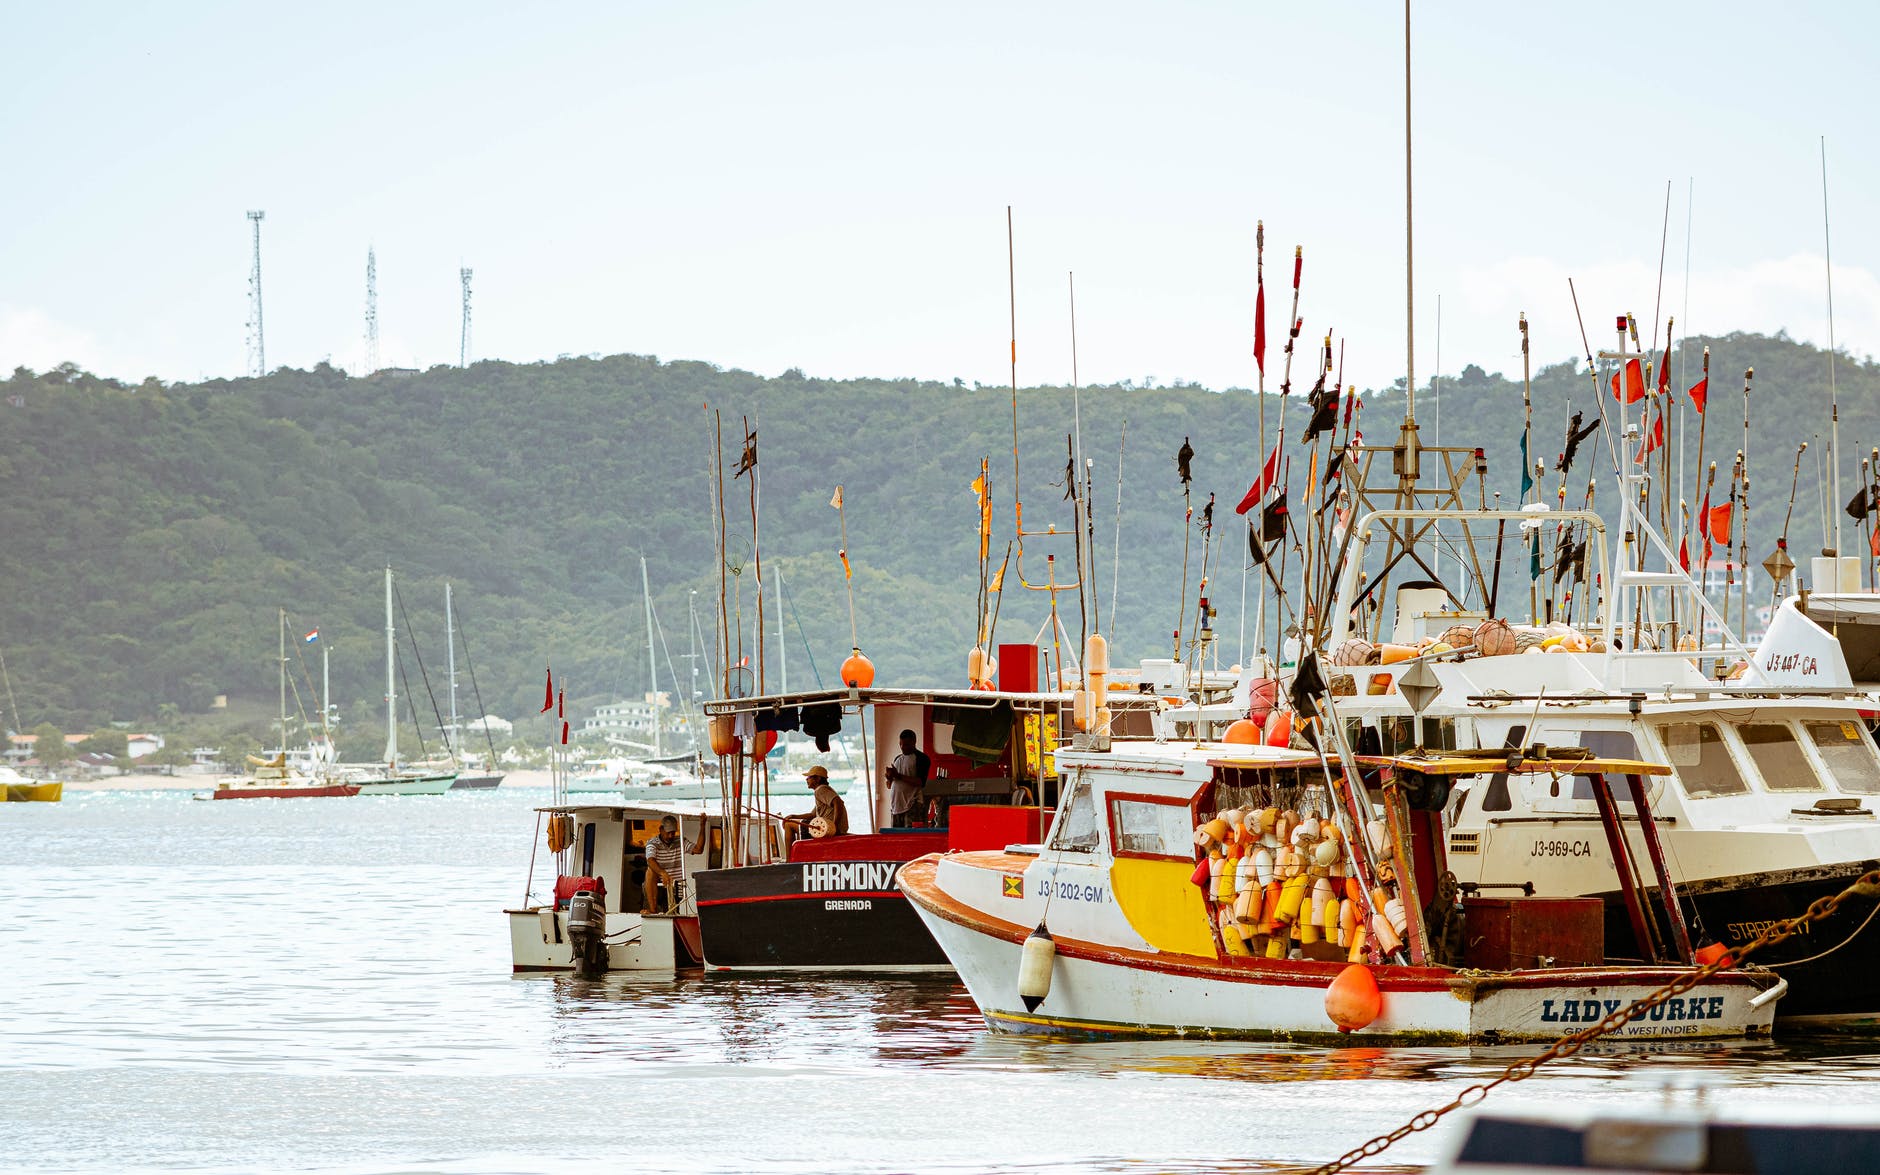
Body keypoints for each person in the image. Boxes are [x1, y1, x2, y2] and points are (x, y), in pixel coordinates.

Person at [785, 765, 849, 840]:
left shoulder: (820, 790)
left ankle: (788, 852)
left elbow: (839, 803)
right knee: (794, 822)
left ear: (818, 779)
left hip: (828, 830)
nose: (806, 779)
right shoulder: (824, 791)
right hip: (828, 828)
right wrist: (794, 816)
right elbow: (812, 815)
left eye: (809, 777)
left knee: (788, 824)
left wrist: (833, 826)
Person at [642, 815, 687, 914]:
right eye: (668, 833)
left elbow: (698, 849)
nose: (670, 836)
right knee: (650, 871)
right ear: (661, 829)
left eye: (673, 833)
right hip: (657, 887)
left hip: (673, 887)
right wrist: (663, 873)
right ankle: (653, 910)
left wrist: (702, 826)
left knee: (671, 914)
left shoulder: (680, 841)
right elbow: (650, 860)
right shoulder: (652, 842)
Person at [887, 728, 930, 828]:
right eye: (900, 744)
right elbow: (889, 785)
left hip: (912, 805)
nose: (902, 747)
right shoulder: (898, 759)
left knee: (910, 836)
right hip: (895, 806)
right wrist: (890, 777)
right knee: (896, 838)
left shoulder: (921, 758)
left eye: (906, 744)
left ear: (914, 742)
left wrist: (898, 776)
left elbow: (920, 782)